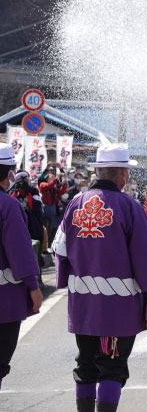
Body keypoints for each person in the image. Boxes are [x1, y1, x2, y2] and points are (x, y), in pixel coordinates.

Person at [53, 143, 147, 412]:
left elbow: (60, 250)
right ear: (123, 174)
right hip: (116, 306)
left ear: (96, 171)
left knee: (85, 364)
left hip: (83, 302)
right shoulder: (129, 207)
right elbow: (146, 257)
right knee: (112, 366)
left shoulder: (75, 204)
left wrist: (65, 282)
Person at [0, 144, 42, 391]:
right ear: (10, 174)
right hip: (4, 301)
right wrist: (33, 286)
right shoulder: (8, 205)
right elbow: (20, 251)